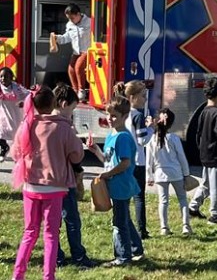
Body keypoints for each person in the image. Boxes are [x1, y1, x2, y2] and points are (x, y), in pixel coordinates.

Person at [11, 85, 84, 280]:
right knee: (50, 234)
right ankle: (48, 276)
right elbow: (77, 154)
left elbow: (15, 153)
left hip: (30, 186)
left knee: (29, 233)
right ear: (53, 104)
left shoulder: (27, 124)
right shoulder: (63, 127)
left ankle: (18, 274)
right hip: (55, 186)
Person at [87, 95, 144, 267]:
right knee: (124, 218)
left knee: (119, 222)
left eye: (114, 116)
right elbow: (107, 159)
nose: (109, 119)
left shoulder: (123, 137)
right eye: (108, 115)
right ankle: (136, 249)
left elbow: (125, 163)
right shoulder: (113, 134)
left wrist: (107, 174)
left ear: (125, 116)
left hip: (121, 185)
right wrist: (95, 150)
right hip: (115, 185)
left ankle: (123, 257)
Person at [52, 83, 95, 268]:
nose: (72, 113)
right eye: (72, 108)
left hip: (47, 182)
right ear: (63, 104)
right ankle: (78, 256)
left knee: (52, 223)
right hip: (65, 180)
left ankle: (56, 256)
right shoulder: (65, 127)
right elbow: (76, 155)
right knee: (72, 221)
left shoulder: (41, 123)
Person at [188, 77, 217, 225]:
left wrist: (201, 149)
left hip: (205, 155)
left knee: (207, 184)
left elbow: (199, 134)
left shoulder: (204, 112)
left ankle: (193, 206)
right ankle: (215, 214)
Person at [114, 80, 154, 239]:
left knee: (125, 197)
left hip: (124, 159)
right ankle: (141, 230)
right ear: (132, 97)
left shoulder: (122, 114)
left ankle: (123, 224)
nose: (145, 99)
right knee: (139, 197)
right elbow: (142, 140)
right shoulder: (137, 115)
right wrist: (152, 128)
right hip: (138, 160)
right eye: (143, 96)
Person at [146, 108, 192, 236]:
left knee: (163, 201)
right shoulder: (174, 138)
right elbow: (181, 157)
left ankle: (164, 228)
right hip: (176, 173)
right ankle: (186, 226)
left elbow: (149, 160)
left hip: (160, 174)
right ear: (171, 123)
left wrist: (149, 176)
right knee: (182, 199)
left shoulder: (152, 139)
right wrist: (186, 174)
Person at [51, 3, 91, 101]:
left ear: (78, 14)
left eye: (72, 18)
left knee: (78, 67)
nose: (71, 20)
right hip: (76, 51)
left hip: (87, 51)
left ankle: (82, 90)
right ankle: (75, 90)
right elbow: (67, 37)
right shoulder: (70, 25)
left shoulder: (90, 22)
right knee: (71, 69)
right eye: (69, 18)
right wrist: (57, 38)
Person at [0, 67, 29, 162]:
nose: (3, 79)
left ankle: (20, 154)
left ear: (11, 77)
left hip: (15, 116)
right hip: (2, 116)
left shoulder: (18, 88)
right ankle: (4, 148)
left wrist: (24, 103)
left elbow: (28, 95)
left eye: (5, 76)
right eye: (1, 76)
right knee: (1, 133)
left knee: (17, 136)